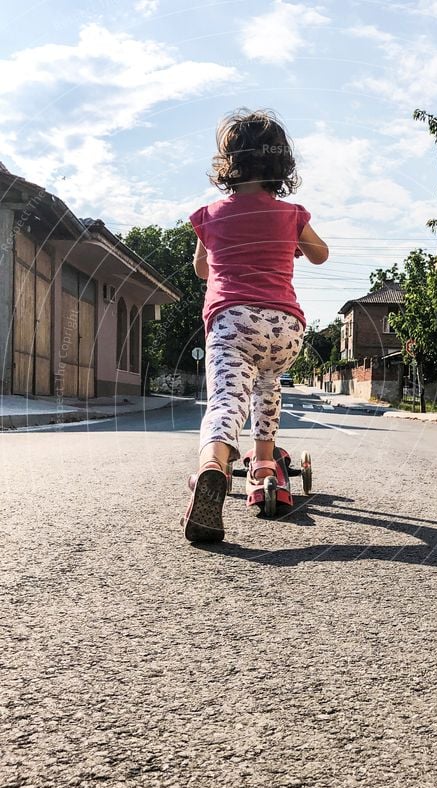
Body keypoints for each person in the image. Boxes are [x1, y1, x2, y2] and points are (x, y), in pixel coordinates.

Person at [183, 108, 329, 543]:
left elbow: (200, 270)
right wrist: (291, 243)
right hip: (285, 326)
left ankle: (214, 465)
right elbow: (320, 254)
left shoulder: (209, 215)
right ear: (282, 165)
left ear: (227, 164)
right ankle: (264, 463)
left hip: (232, 321)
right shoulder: (291, 215)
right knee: (268, 385)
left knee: (227, 400)